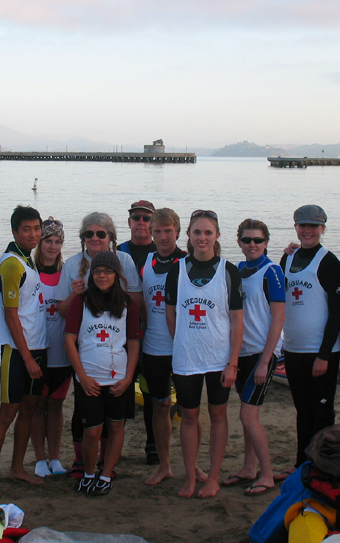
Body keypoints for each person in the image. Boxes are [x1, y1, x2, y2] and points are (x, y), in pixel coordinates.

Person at [54, 212, 143, 476]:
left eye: (101, 234)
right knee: (85, 411)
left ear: (111, 237)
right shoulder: (72, 263)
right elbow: (61, 309)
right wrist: (77, 293)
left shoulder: (124, 260)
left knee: (115, 416)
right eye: (88, 234)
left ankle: (106, 463)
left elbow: (135, 301)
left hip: (117, 342)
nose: (94, 238)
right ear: (82, 239)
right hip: (87, 348)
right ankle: (83, 460)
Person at [165, 210, 243, 499]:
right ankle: (189, 477)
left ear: (217, 236)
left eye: (208, 233)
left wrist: (232, 362)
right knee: (189, 416)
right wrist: (184, 340)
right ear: (188, 235)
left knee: (218, 414)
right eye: (197, 232)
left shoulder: (228, 271)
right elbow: (171, 314)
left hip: (219, 358)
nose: (202, 238)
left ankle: (212, 477)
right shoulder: (177, 270)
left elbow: (237, 319)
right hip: (186, 357)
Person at [64, 251, 141, 496]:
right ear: (91, 274)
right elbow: (69, 341)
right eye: (97, 271)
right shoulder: (81, 301)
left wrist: (129, 378)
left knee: (116, 428)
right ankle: (88, 472)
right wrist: (82, 378)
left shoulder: (128, 303)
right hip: (89, 379)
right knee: (92, 432)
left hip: (118, 379)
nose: (102, 276)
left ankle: (106, 474)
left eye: (107, 271)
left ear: (116, 274)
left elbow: (133, 343)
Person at [0, 206, 47, 494]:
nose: (33, 234)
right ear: (14, 232)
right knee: (7, 413)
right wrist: (27, 357)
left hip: (37, 346)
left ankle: (17, 467)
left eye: (36, 228)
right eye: (26, 229)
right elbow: (10, 315)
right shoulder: (12, 264)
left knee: (29, 409)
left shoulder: (28, 261)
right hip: (17, 352)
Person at [279, 205, 340, 480]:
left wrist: (324, 355)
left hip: (321, 352)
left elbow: (337, 313)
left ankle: (322, 465)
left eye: (313, 227)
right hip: (293, 349)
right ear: (295, 227)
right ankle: (301, 464)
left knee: (322, 412)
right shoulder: (288, 258)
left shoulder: (329, 263)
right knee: (302, 411)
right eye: (302, 226)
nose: (307, 231)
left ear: (323, 229)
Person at [220, 219, 285, 496]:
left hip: (261, 352)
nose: (253, 245)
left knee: (248, 416)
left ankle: (267, 474)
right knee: (246, 415)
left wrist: (266, 360)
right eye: (247, 240)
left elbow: (279, 317)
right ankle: (249, 468)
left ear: (266, 242)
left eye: (258, 240)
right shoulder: (236, 271)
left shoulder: (272, 271)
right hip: (241, 353)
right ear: (239, 243)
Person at [140, 208, 188, 485]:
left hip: (182, 347)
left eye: (168, 231)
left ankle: (192, 466)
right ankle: (165, 465)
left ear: (177, 232)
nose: (162, 236)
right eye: (157, 231)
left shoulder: (188, 261)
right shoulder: (146, 261)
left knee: (190, 410)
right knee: (160, 406)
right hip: (154, 347)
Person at [117, 199, 158, 465]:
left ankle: (153, 444)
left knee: (153, 392)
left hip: (154, 332)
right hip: (120, 332)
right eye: (136, 218)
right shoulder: (117, 252)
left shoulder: (163, 250)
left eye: (146, 218)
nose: (141, 223)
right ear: (129, 222)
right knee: (119, 389)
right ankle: (113, 446)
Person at [30, 218, 70, 478]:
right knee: (37, 406)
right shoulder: (29, 270)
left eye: (57, 241)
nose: (53, 246)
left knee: (56, 406)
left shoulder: (68, 272)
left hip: (62, 353)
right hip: (37, 350)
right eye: (48, 241)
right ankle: (39, 459)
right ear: (39, 242)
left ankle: (55, 458)